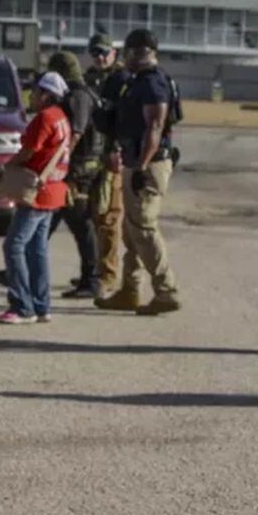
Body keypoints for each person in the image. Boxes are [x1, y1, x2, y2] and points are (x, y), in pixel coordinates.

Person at [95, 29, 181, 316]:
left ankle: (166, 291)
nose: (125, 58)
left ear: (137, 51)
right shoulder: (140, 81)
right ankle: (130, 290)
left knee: (143, 226)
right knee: (131, 230)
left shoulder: (153, 84)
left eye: (128, 52)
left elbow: (154, 127)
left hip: (148, 164)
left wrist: (143, 166)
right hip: (137, 161)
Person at [0, 73, 72, 324]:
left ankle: (22, 305)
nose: (32, 95)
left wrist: (7, 166)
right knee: (37, 249)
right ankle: (41, 304)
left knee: (14, 245)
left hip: (36, 191)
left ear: (46, 95)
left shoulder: (45, 118)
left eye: (36, 91)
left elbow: (29, 151)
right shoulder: (62, 118)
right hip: (53, 189)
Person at [49, 52, 103, 299]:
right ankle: (19, 270)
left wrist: (60, 162)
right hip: (76, 167)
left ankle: (91, 280)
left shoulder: (79, 96)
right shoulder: (79, 93)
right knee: (48, 218)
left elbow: (77, 132)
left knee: (81, 223)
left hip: (79, 169)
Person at [85, 32, 127, 296]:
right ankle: (91, 273)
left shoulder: (122, 80)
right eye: (95, 52)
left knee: (109, 218)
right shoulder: (89, 79)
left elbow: (126, 120)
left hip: (113, 155)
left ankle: (108, 276)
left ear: (115, 53)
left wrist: (117, 150)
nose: (100, 57)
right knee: (89, 216)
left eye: (105, 52)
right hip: (88, 155)